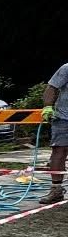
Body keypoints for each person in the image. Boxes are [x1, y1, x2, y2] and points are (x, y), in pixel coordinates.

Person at [45, 60, 68, 201]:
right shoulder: (66, 68)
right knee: (59, 151)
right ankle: (56, 189)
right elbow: (51, 88)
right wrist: (47, 106)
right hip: (64, 118)